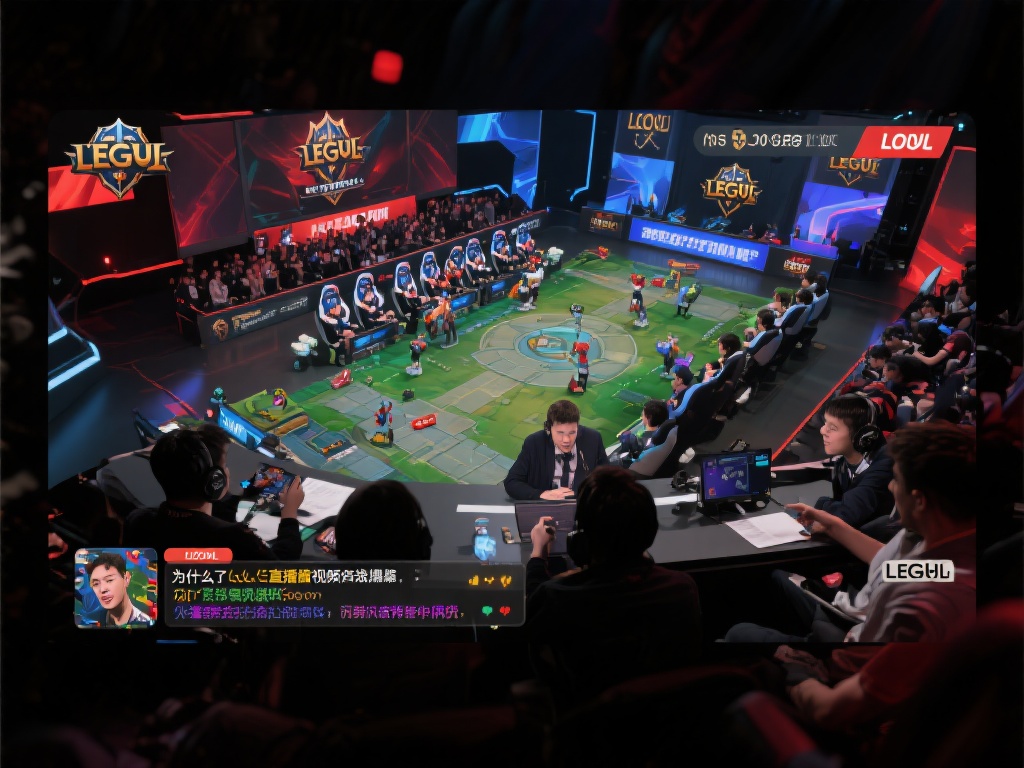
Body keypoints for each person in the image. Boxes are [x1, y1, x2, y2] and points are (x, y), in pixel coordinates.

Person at [725, 420, 975, 646]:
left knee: (739, 633)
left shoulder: (919, 594)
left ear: (919, 500)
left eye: (897, 479)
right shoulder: (932, 541)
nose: (890, 486)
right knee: (780, 577)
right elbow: (891, 561)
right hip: (853, 609)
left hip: (848, 636)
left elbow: (861, 661)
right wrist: (833, 525)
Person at [524, 466, 701, 707]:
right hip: (663, 713)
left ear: (581, 541)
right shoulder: (682, 588)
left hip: (588, 717)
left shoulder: (557, 597)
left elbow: (534, 604)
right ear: (649, 531)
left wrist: (538, 554)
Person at [123, 424, 304, 560]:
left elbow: (205, 515)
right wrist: (289, 514)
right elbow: (281, 570)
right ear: (213, 480)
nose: (227, 471)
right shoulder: (236, 539)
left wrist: (247, 492)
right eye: (224, 466)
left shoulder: (138, 521)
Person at [803, 395, 896, 533]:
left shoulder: (886, 463)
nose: (822, 431)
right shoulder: (842, 466)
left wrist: (823, 504)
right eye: (825, 423)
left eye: (832, 428)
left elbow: (847, 514)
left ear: (863, 436)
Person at [503, 399, 609, 500]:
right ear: (548, 429)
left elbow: (609, 481)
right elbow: (511, 482)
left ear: (577, 427)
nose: (566, 440)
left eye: (572, 433)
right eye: (560, 433)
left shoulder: (593, 439)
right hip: (545, 508)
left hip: (582, 507)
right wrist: (541, 494)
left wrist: (584, 495)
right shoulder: (534, 443)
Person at [83, 552, 155, 628]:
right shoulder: (90, 621)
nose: (102, 589)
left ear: (126, 579)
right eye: (96, 584)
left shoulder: (146, 623)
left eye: (109, 580)